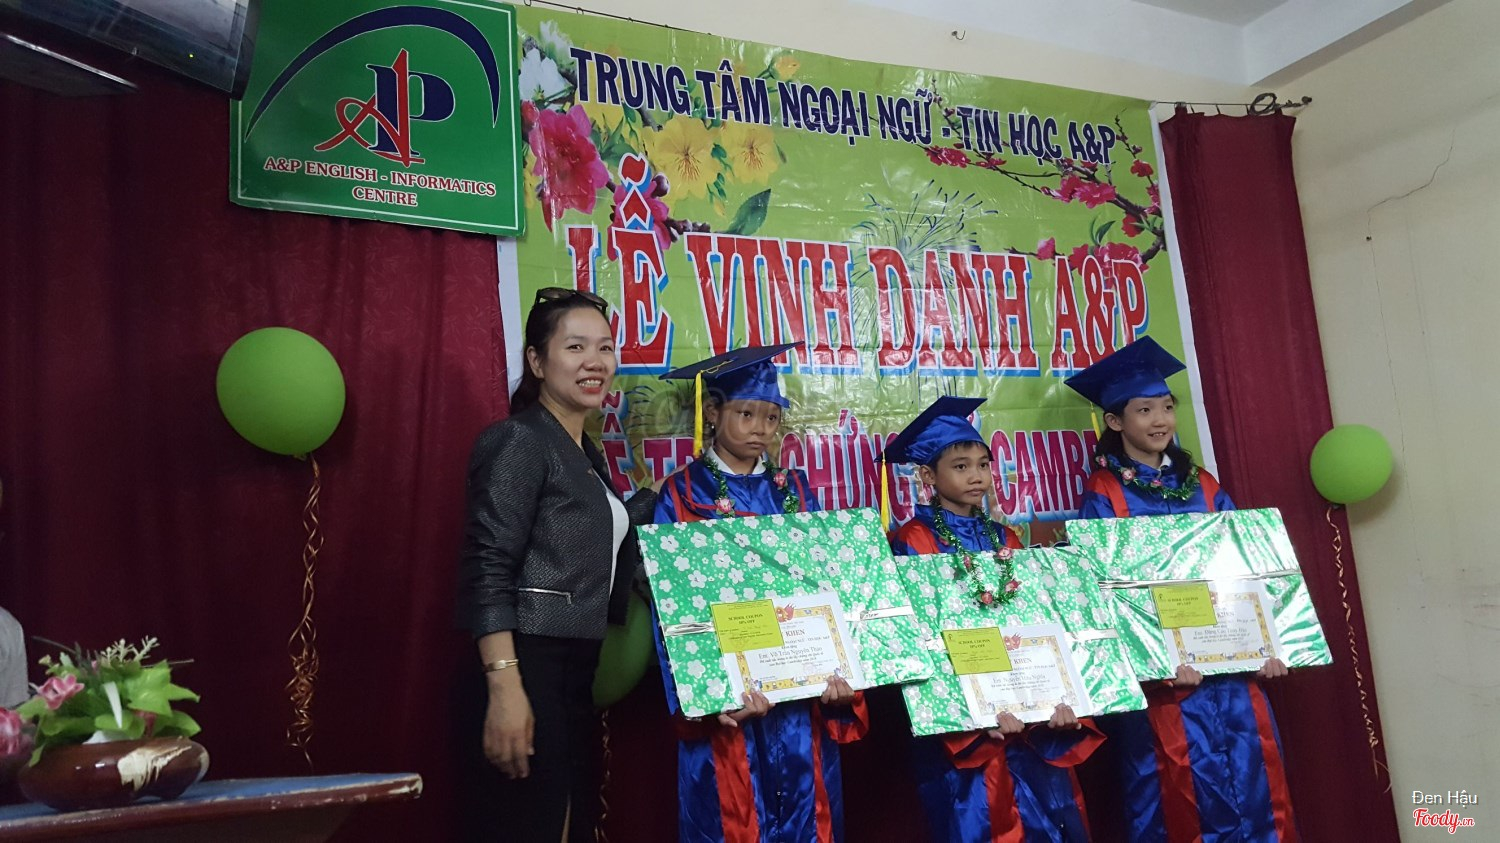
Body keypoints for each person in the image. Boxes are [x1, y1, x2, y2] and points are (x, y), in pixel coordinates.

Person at [1066, 337, 1295, 843]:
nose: (1160, 420)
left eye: (1167, 407)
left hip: (1231, 671)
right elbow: (1103, 589)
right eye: (1145, 410)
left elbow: (1245, 568)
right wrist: (1158, 661)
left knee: (1256, 786)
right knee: (1174, 796)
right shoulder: (1105, 493)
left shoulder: (1204, 484)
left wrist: (1267, 645)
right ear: (1115, 421)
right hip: (1164, 685)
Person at [455, 287, 659, 843]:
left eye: (605, 347)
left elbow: (583, 541)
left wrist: (652, 500)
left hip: (575, 672)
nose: (595, 361)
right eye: (575, 347)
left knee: (568, 819)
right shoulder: (519, 439)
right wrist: (505, 687)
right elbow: (488, 567)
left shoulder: (583, 452)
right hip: (527, 663)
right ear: (538, 361)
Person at [652, 343, 867, 843]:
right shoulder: (683, 494)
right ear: (713, 412)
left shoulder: (795, 491)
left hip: (799, 700)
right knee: (732, 817)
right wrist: (707, 697)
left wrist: (842, 675)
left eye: (771, 417)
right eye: (746, 414)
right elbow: (671, 608)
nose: (760, 429)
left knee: (809, 818)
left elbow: (826, 587)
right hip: (732, 702)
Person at [886, 396, 1103, 842]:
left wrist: (1055, 699)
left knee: (1050, 817)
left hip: (1028, 718)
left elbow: (1035, 620)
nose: (977, 476)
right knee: (979, 820)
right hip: (965, 727)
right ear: (928, 476)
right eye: (961, 466)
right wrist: (974, 712)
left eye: (983, 465)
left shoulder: (1005, 538)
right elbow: (917, 638)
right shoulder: (913, 540)